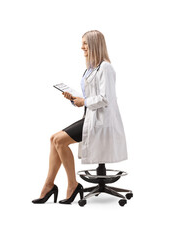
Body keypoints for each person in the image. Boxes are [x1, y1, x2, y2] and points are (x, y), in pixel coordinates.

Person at [32, 30, 127, 204]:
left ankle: (72, 185)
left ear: (94, 45)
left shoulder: (106, 67)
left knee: (60, 141)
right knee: (53, 138)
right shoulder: (91, 68)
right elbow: (90, 97)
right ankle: (49, 185)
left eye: (85, 43)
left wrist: (83, 101)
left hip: (102, 121)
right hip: (90, 116)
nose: (81, 47)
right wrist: (74, 98)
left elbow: (106, 99)